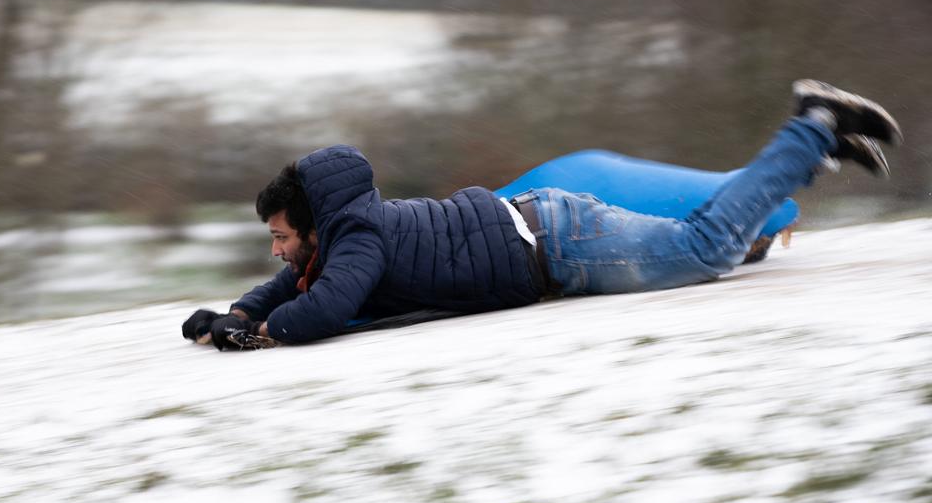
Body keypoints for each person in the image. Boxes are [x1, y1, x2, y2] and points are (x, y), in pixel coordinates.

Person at [182, 80, 902, 350]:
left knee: (706, 248)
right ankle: (816, 144)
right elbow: (297, 284)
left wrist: (267, 333)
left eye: (279, 236)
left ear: (311, 223)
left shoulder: (356, 241)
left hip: (561, 246)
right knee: (702, 240)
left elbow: (326, 306)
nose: (276, 252)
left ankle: (811, 126)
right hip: (548, 230)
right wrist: (235, 314)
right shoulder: (342, 234)